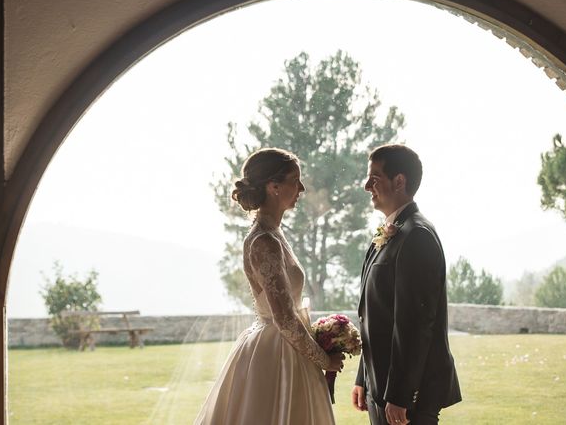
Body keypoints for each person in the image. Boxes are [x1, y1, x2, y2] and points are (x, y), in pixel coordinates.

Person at [195, 148, 343, 424]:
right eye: (295, 180)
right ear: (274, 187)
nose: (301, 188)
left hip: (288, 347)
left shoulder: (274, 234)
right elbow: (285, 318)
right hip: (277, 355)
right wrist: (325, 360)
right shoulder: (264, 241)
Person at [351, 144, 461, 425]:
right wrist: (364, 376)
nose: (366, 186)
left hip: (407, 396)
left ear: (399, 181)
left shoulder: (417, 235)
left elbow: (414, 323)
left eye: (374, 177)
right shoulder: (392, 231)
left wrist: (400, 395)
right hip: (382, 387)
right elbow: (377, 315)